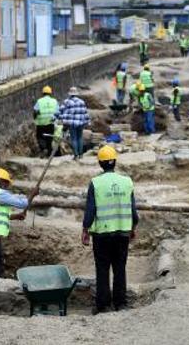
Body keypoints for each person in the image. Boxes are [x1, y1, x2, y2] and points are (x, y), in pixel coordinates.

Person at [81, 145, 139, 314]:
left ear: (100, 163)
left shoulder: (95, 183)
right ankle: (121, 304)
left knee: (102, 268)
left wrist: (85, 230)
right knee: (120, 267)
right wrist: (133, 227)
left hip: (102, 235)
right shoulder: (127, 182)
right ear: (115, 162)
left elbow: (90, 210)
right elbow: (133, 211)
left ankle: (103, 305)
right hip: (122, 232)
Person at [56, 87, 90, 160]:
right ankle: (81, 155)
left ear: (70, 94)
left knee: (73, 138)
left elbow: (60, 111)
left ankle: (76, 155)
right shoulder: (81, 102)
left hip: (71, 123)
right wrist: (87, 121)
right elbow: (85, 112)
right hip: (80, 123)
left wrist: (56, 117)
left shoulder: (67, 102)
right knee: (80, 137)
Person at [33, 86, 59, 157]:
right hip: (51, 123)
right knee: (49, 138)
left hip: (41, 123)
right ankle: (49, 153)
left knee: (40, 137)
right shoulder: (54, 101)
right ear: (50, 93)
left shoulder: (39, 101)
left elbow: (35, 111)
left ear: (43, 93)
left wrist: (35, 118)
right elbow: (57, 113)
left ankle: (43, 148)